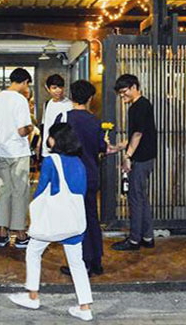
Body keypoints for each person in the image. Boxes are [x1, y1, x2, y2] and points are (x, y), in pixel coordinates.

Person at [8, 122, 94, 321]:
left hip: (53, 221)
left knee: (33, 251)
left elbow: (41, 191)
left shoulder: (51, 161)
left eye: (51, 136)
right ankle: (85, 307)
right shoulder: (79, 163)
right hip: (74, 222)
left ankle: (33, 296)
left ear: (56, 140)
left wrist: (34, 211)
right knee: (77, 263)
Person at [58, 80, 122, 278]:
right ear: (90, 98)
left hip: (71, 176)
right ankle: (96, 262)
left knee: (76, 220)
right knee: (91, 217)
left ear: (72, 96)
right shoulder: (95, 121)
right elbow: (102, 148)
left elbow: (56, 146)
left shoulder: (64, 118)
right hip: (91, 175)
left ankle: (82, 263)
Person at [0, 67, 34, 249]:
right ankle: (21, 234)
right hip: (18, 152)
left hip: (2, 150)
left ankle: (2, 234)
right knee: (20, 192)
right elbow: (22, 130)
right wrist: (31, 128)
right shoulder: (20, 100)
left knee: (4, 191)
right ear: (24, 82)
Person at [112, 73, 157, 251]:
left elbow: (138, 134)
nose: (122, 95)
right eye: (120, 93)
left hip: (140, 158)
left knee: (135, 198)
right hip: (146, 156)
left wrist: (128, 156)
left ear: (134, 87)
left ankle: (134, 240)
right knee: (141, 197)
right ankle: (147, 237)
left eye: (124, 91)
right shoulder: (143, 104)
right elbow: (137, 134)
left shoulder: (138, 107)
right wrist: (120, 146)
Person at [41, 74, 71, 158]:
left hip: (62, 148)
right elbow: (44, 125)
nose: (58, 90)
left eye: (60, 87)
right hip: (47, 148)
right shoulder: (47, 104)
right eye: (54, 88)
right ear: (48, 89)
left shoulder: (69, 105)